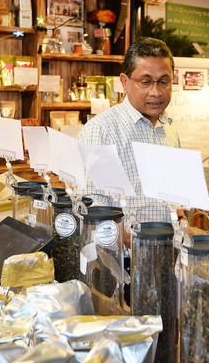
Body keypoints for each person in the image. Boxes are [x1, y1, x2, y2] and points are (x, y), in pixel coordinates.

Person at [76, 37, 181, 224]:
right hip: (123, 251)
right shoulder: (101, 131)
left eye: (163, 82)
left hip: (167, 247)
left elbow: (174, 191)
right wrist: (135, 244)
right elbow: (92, 205)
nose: (156, 92)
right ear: (125, 82)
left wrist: (182, 222)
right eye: (146, 82)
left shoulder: (169, 130)